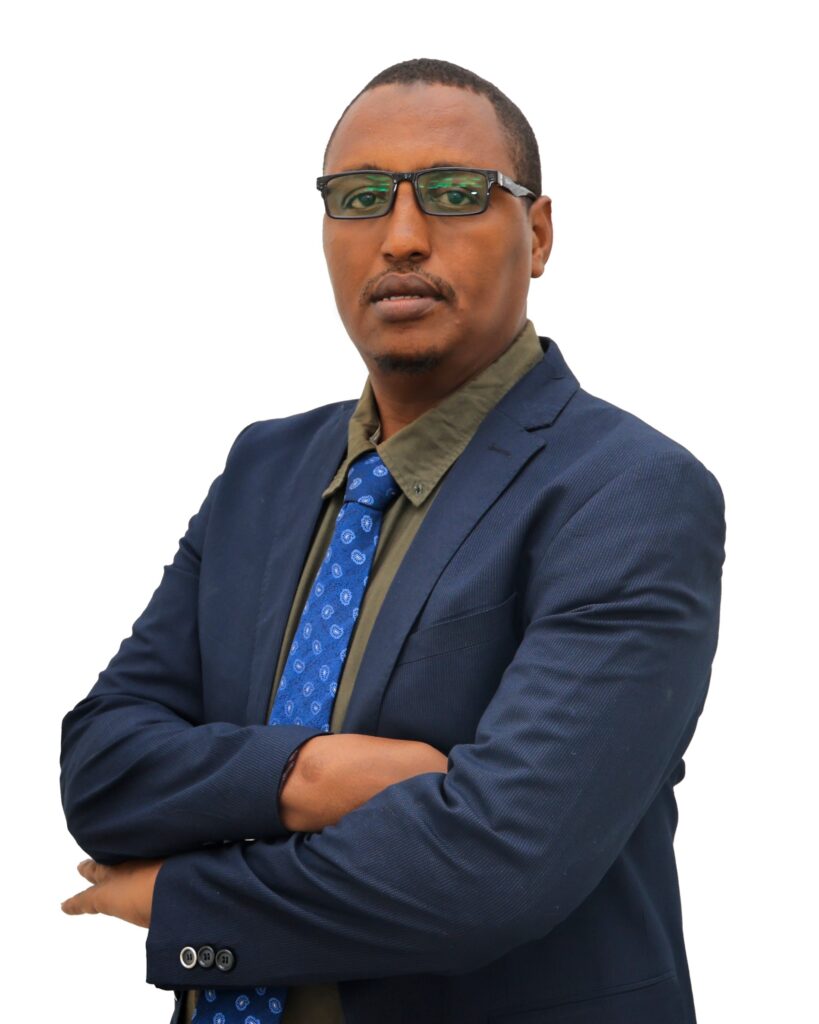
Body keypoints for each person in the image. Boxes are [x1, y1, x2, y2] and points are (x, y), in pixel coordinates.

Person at [59, 57, 726, 1024]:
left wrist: (177, 900)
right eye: (361, 197)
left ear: (537, 234)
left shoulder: (628, 492)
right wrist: (310, 777)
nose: (402, 236)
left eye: (454, 195)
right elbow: (104, 768)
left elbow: (492, 869)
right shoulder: (262, 469)